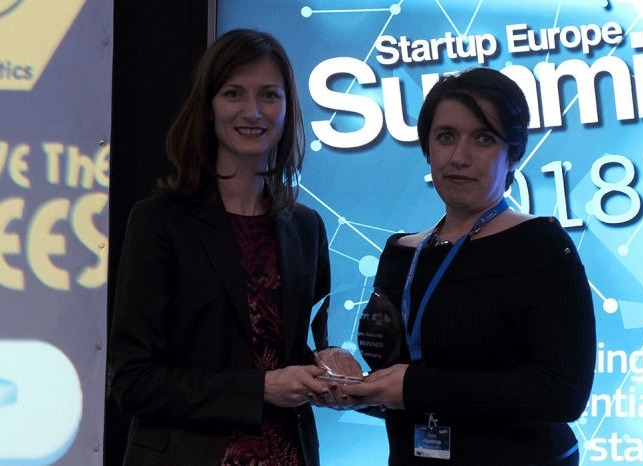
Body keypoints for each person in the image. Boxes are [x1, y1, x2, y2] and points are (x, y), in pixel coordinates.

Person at [109, 28, 357, 466]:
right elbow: (134, 382)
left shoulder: (306, 228)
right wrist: (260, 389)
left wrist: (328, 369)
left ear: (288, 108)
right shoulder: (159, 222)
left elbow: (287, 353)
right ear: (208, 107)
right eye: (233, 94)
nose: (253, 112)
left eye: (269, 95)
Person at [345, 67, 596, 465]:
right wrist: (351, 387)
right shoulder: (401, 254)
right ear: (427, 148)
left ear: (513, 155)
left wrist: (417, 387)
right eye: (446, 137)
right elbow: (402, 381)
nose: (459, 157)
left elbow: (563, 393)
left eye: (483, 138)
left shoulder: (540, 247)